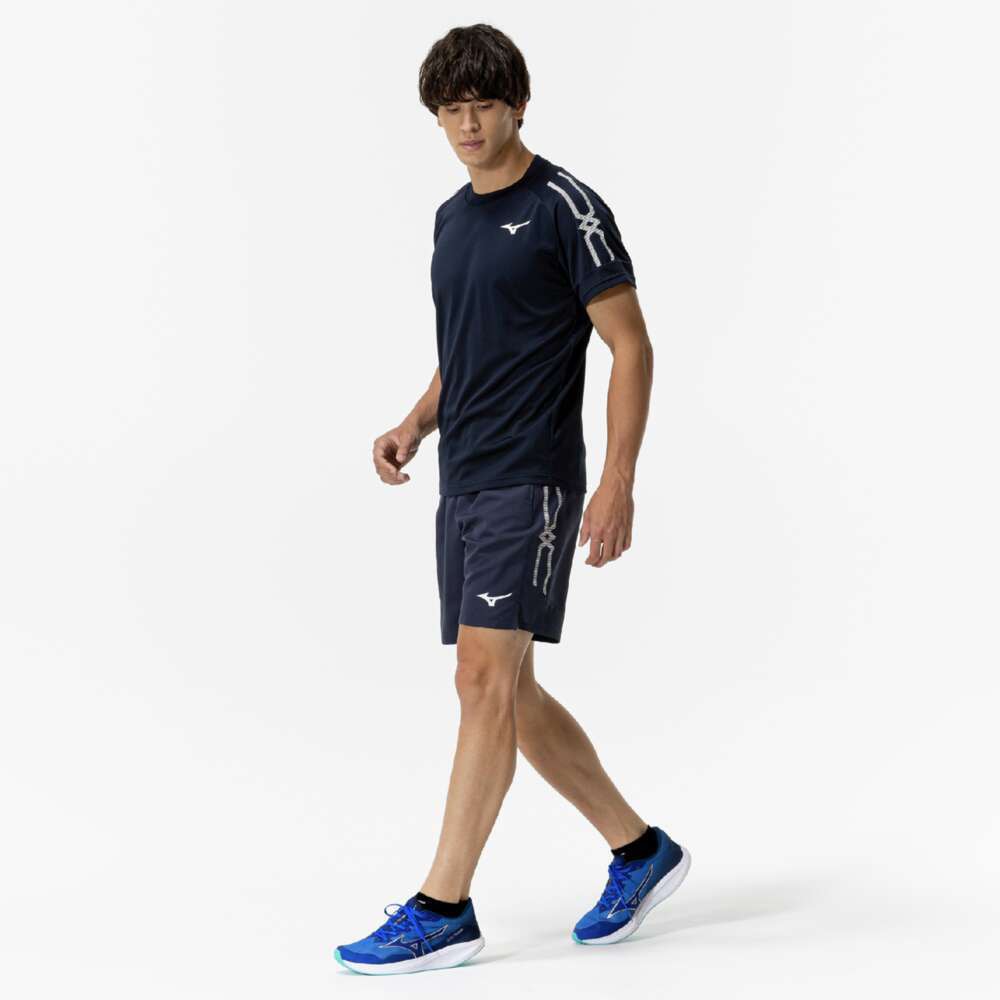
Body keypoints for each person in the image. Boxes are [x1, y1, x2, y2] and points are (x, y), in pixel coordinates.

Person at [334, 23, 690, 976]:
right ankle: (640, 850)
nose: (467, 126)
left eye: (483, 107)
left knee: (481, 681)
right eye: (450, 110)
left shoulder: (567, 206)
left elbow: (630, 344)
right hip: (466, 475)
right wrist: (416, 423)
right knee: (514, 695)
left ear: (518, 105)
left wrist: (617, 481)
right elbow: (468, 348)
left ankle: (442, 906)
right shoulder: (451, 220)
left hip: (533, 478)